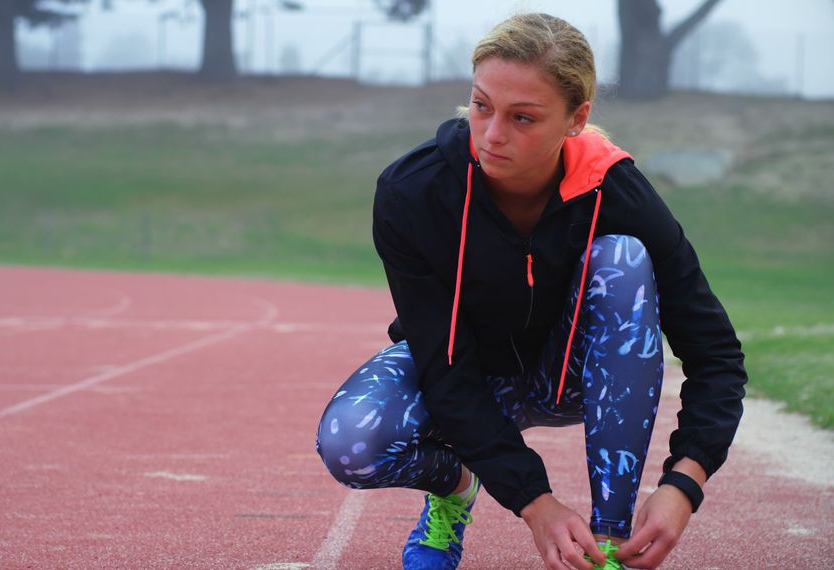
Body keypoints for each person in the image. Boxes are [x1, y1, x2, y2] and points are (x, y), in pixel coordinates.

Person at [315, 12, 746, 570]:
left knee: (623, 259)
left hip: (569, 378)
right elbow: (445, 368)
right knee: (351, 442)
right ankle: (454, 490)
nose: (493, 135)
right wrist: (534, 501)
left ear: (577, 118)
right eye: (481, 105)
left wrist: (684, 483)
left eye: (523, 117)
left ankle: (609, 542)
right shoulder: (414, 193)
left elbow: (717, 355)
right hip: (462, 376)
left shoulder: (620, 195)